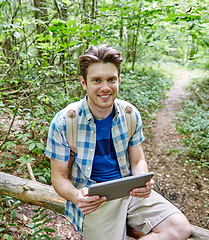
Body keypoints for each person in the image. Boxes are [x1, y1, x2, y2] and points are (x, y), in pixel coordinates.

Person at [45, 44, 191, 240]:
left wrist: (142, 181)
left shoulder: (130, 114)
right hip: (95, 199)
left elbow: (138, 160)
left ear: (119, 80)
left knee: (179, 228)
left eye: (111, 79)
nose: (105, 88)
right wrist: (77, 197)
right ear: (84, 83)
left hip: (129, 191)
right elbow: (59, 177)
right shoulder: (64, 122)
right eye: (96, 80)